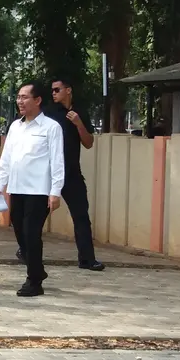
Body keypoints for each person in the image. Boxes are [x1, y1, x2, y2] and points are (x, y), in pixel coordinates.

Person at [0, 80, 64, 297]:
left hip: (39, 191)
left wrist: (55, 191)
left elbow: (57, 161)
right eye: (18, 97)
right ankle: (38, 270)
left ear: (38, 100)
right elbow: (7, 158)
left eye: (24, 97)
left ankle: (34, 281)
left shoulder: (51, 128)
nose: (20, 101)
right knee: (20, 233)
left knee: (31, 234)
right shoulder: (15, 126)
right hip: (17, 189)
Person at [48, 79, 104, 271]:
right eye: (52, 91)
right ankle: (25, 250)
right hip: (49, 173)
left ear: (68, 90)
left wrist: (79, 123)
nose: (54, 93)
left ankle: (87, 259)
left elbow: (88, 143)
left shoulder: (80, 112)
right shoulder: (49, 112)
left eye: (57, 90)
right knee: (34, 214)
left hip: (72, 173)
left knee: (81, 216)